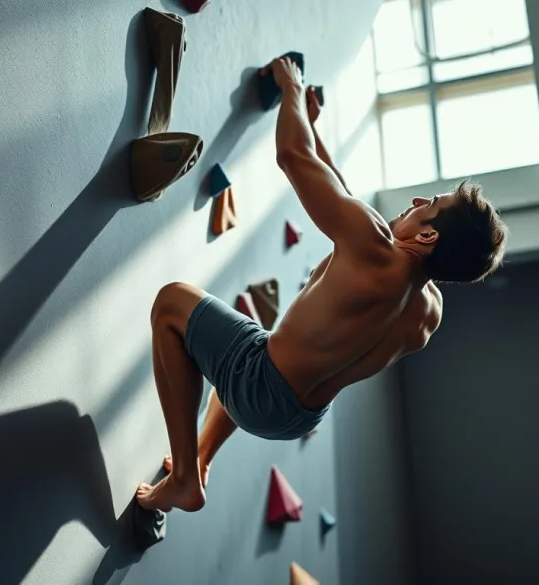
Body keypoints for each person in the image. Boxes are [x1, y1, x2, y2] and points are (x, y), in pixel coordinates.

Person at [135, 56, 508, 512]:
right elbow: (351, 207)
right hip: (297, 415)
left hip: (262, 380)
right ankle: (204, 458)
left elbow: (292, 157)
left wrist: (290, 88)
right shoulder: (429, 312)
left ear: (428, 235)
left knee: (172, 303)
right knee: (238, 359)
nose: (416, 199)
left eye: (430, 202)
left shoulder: (374, 248)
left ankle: (185, 481)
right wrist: (313, 128)